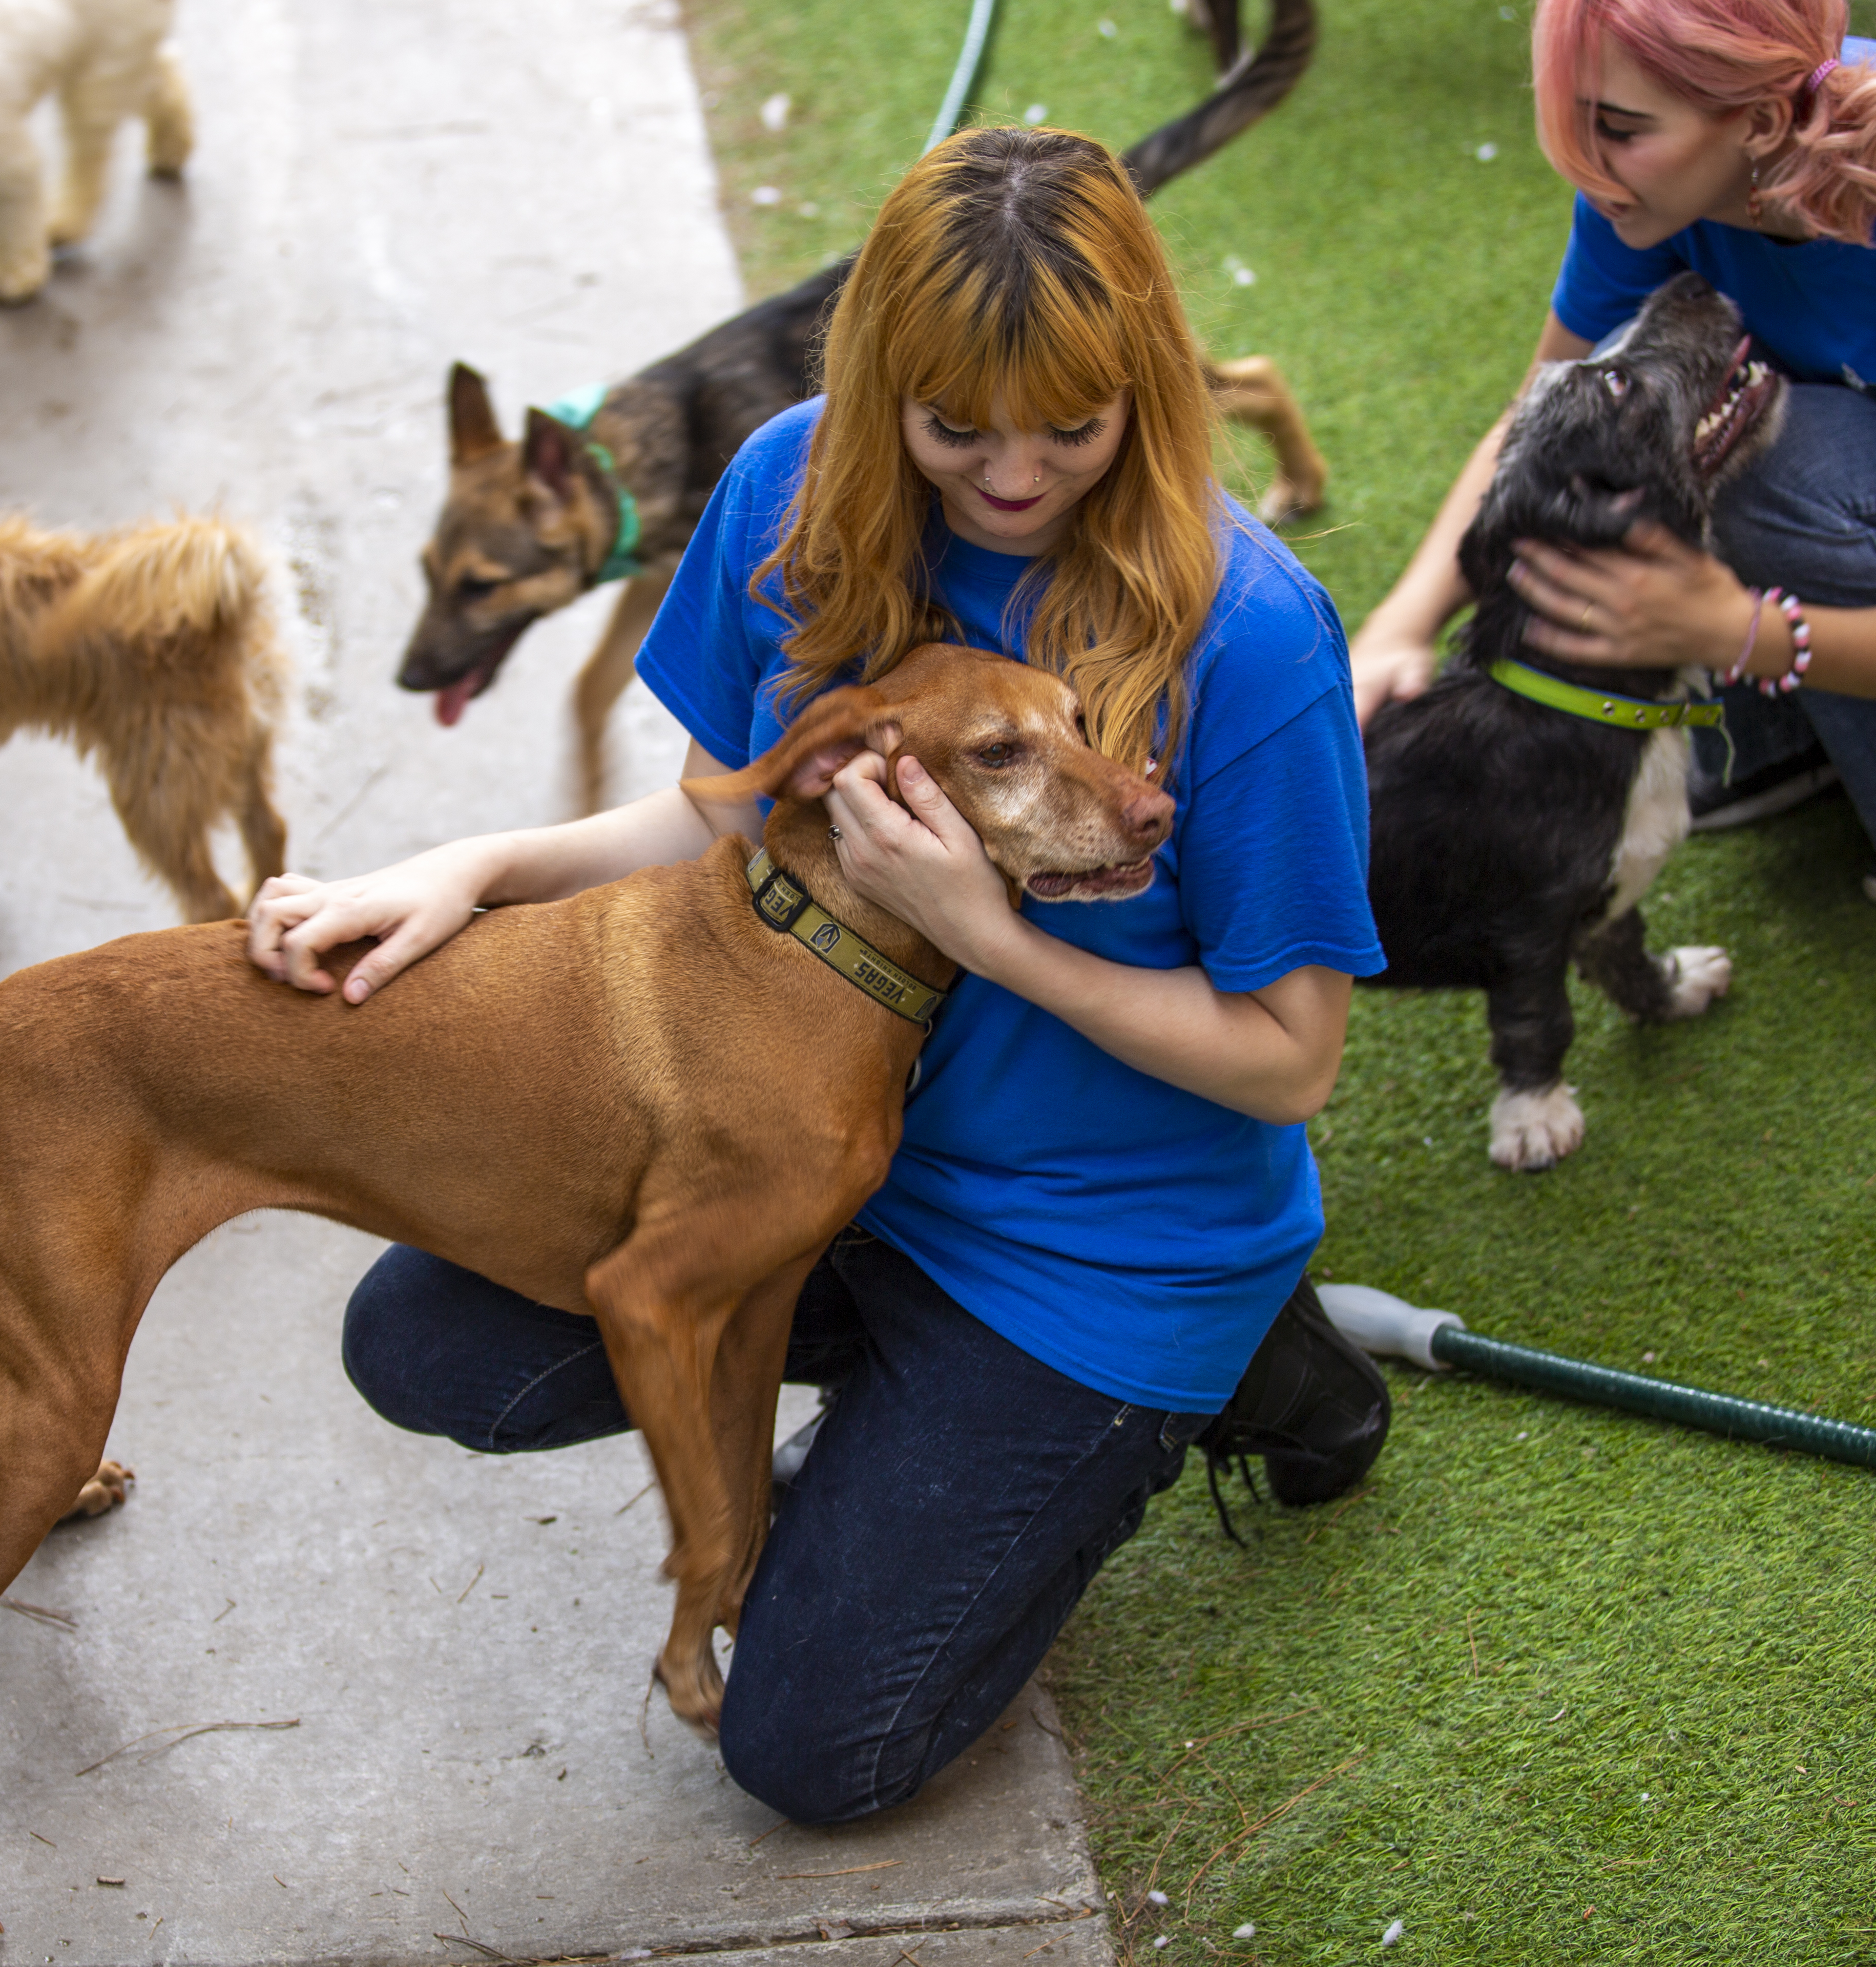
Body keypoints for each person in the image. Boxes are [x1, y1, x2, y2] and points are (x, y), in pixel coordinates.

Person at [246, 127, 1391, 1824]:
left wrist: (994, 933)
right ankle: (915, 1418)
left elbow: (1294, 1059)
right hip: (825, 1158)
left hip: (1100, 1242)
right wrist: (470, 870)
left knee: (808, 1754)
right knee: (428, 1342)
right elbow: (727, 816)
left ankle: (1233, 1369)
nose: (1009, 477)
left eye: (1067, 429)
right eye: (955, 427)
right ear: (879, 379)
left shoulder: (1254, 631)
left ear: (1143, 388)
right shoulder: (790, 483)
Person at [1349, 0, 1876, 912]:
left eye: (1615, 128)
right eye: (1571, 114)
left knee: (1769, 463)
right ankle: (1805, 729)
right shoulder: (1682, 151)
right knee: (1691, 425)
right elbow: (1548, 410)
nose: (1581, 159)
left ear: (1761, 123)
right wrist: (1403, 625)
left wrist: (1732, 632)